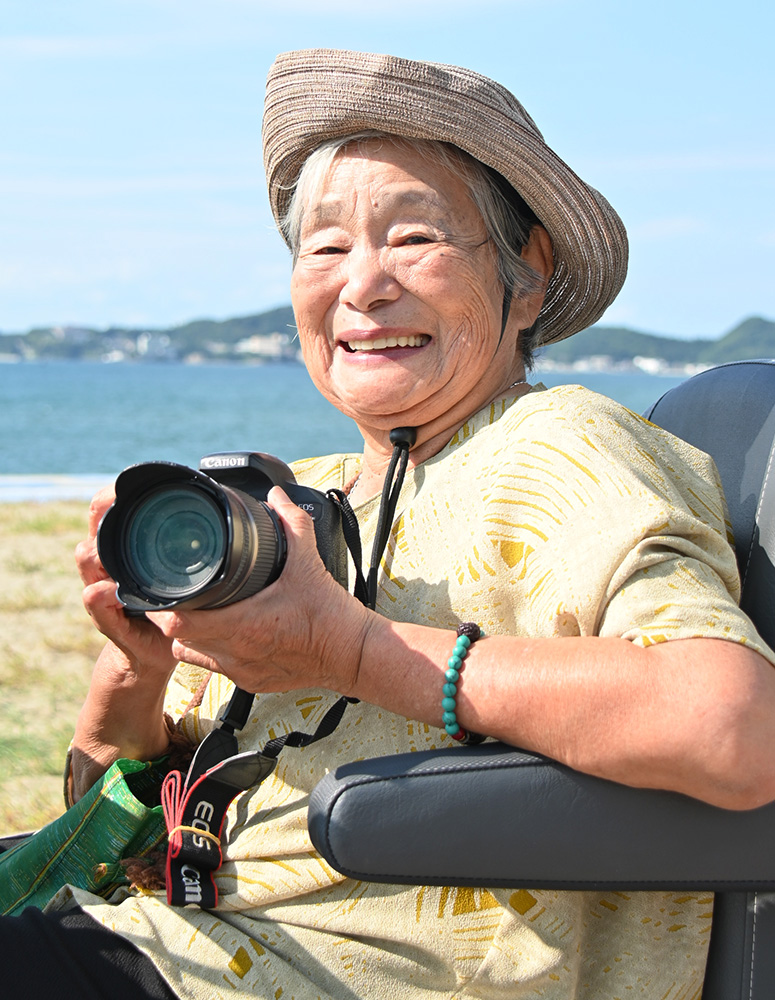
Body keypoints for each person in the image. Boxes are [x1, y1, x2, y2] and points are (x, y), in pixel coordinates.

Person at [7, 48, 775, 1000]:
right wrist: (134, 671)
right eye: (325, 249)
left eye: (413, 238)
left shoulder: (561, 447)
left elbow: (733, 728)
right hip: (166, 940)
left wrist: (353, 652)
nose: (362, 285)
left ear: (527, 275)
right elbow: (108, 844)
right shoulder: (303, 499)